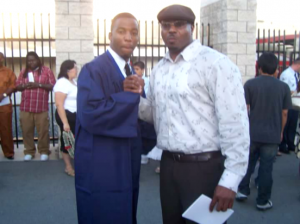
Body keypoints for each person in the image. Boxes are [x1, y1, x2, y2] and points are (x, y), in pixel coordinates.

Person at [124, 5, 250, 224]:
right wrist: (134, 98)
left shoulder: (216, 64)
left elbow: (235, 124)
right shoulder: (160, 70)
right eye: (166, 26)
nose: (171, 30)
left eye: (179, 25)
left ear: (193, 29)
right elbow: (156, 115)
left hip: (204, 168)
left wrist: (230, 180)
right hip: (169, 166)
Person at [75, 13, 144, 224]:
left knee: (126, 208)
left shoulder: (129, 69)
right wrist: (128, 97)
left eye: (134, 32)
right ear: (109, 36)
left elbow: (138, 108)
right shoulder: (93, 69)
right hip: (102, 159)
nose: (128, 38)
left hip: (126, 155)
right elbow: (90, 114)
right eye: (121, 32)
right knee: (104, 211)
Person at [236, 52, 291, 211]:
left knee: (248, 162)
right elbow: (285, 113)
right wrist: (280, 130)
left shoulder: (250, 84)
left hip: (252, 132)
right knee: (267, 167)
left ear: (259, 68)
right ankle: (263, 200)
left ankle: (242, 190)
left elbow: (244, 109)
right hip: (272, 134)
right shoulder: (283, 87)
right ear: (277, 69)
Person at [15, 52, 56, 161]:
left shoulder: (46, 71)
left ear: (38, 60)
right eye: (29, 60)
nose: (31, 62)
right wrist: (24, 86)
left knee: (43, 131)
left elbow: (53, 86)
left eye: (33, 60)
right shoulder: (24, 72)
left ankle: (44, 151)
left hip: (41, 107)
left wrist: (38, 85)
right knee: (26, 130)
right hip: (26, 107)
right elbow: (17, 86)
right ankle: (29, 151)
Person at [54, 60, 77, 177]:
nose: (77, 70)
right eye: (75, 68)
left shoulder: (73, 82)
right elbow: (59, 104)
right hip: (66, 116)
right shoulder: (62, 83)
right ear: (68, 70)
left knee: (75, 141)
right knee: (67, 141)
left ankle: (76, 165)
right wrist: (65, 123)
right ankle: (68, 167)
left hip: (75, 115)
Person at [134, 61, 157, 165]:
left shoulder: (147, 81)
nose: (135, 71)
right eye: (134, 69)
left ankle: (145, 153)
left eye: (137, 69)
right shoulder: (132, 80)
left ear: (143, 70)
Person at [279, 57, 300, 154]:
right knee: (286, 124)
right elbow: (284, 90)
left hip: (295, 102)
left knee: (293, 124)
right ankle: (283, 145)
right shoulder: (286, 74)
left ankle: (290, 143)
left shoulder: (295, 74)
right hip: (288, 102)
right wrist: (294, 92)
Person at [0, 52, 16, 160]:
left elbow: (13, 86)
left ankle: (8, 152)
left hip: (4, 105)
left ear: (2, 58)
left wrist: (4, 95)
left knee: (6, 129)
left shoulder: (8, 72)